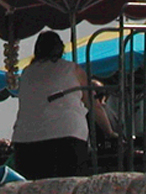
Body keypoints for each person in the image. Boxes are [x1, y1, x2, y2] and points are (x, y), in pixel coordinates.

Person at [11, 30, 90, 180]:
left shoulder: (27, 73)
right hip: (67, 135)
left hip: (26, 140)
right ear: (61, 49)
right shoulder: (72, 69)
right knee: (69, 190)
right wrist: (110, 131)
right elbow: (92, 104)